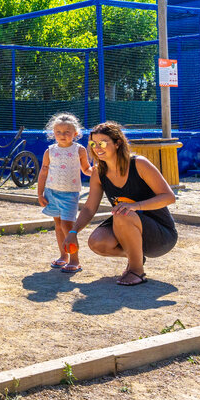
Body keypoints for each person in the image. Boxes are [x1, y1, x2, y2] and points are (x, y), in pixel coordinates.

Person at [64, 121, 177, 286]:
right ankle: (136, 257)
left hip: (160, 235)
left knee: (122, 214)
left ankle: (137, 271)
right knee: (97, 242)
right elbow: (89, 208)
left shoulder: (139, 163)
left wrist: (136, 206)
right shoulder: (98, 172)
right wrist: (73, 231)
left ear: (117, 143)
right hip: (127, 225)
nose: (97, 147)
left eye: (102, 143)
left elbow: (169, 197)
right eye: (93, 143)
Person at [36, 113, 93, 273]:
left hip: (70, 195)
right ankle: (63, 256)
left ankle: (75, 260)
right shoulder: (50, 151)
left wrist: (95, 171)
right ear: (53, 133)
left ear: (75, 134)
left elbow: (86, 169)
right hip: (51, 193)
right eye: (58, 132)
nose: (62, 135)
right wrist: (40, 194)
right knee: (59, 226)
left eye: (67, 131)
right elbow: (43, 172)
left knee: (68, 226)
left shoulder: (79, 150)